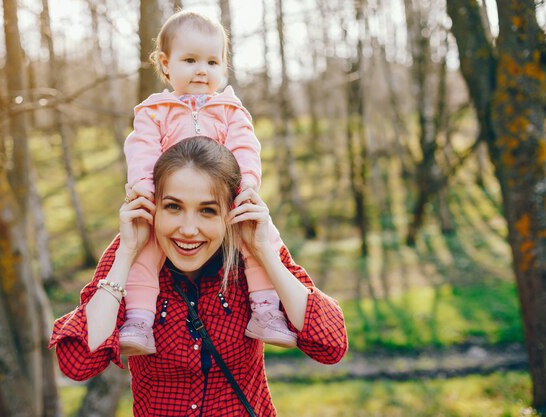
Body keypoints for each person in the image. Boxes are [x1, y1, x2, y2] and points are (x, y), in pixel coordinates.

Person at [50, 137, 347, 417]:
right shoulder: (132, 254)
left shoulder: (252, 255)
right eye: (173, 207)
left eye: (207, 210)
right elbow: (79, 362)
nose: (188, 229)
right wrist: (127, 253)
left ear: (229, 213)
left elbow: (330, 346)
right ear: (154, 207)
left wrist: (264, 251)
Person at [120, 10, 294, 355]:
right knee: (144, 250)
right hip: (170, 204)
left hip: (222, 204)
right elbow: (141, 149)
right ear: (165, 64)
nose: (203, 69)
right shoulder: (156, 111)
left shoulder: (229, 110)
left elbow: (246, 147)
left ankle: (266, 310)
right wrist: (145, 187)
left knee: (260, 242)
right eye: (190, 60)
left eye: (213, 62)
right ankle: (139, 319)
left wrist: (247, 187)